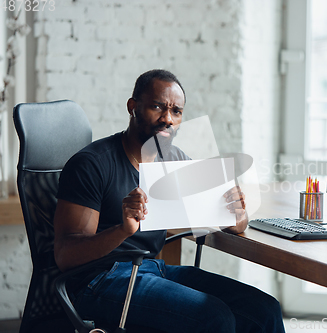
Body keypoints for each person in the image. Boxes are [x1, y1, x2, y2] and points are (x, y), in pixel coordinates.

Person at [53, 69, 286, 333]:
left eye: (176, 111)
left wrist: (236, 214)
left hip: (152, 269)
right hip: (99, 281)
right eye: (157, 107)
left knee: (264, 310)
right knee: (213, 317)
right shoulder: (93, 164)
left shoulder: (173, 159)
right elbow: (66, 256)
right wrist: (122, 230)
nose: (167, 119)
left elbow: (232, 222)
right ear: (133, 107)